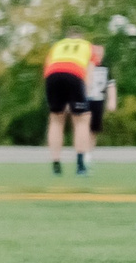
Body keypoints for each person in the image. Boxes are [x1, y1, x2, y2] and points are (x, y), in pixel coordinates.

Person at [42, 32, 93, 175]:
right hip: (74, 73)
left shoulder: (57, 45)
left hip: (53, 75)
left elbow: (47, 68)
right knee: (81, 120)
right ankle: (80, 165)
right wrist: (86, 95)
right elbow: (90, 71)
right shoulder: (87, 46)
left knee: (56, 119)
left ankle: (56, 164)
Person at [82, 43, 118, 172]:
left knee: (94, 130)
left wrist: (112, 101)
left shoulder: (106, 67)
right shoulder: (84, 65)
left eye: (101, 52)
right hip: (85, 100)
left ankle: (88, 155)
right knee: (83, 127)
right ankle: (82, 155)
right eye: (96, 52)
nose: (99, 55)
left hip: (99, 100)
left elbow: (111, 85)